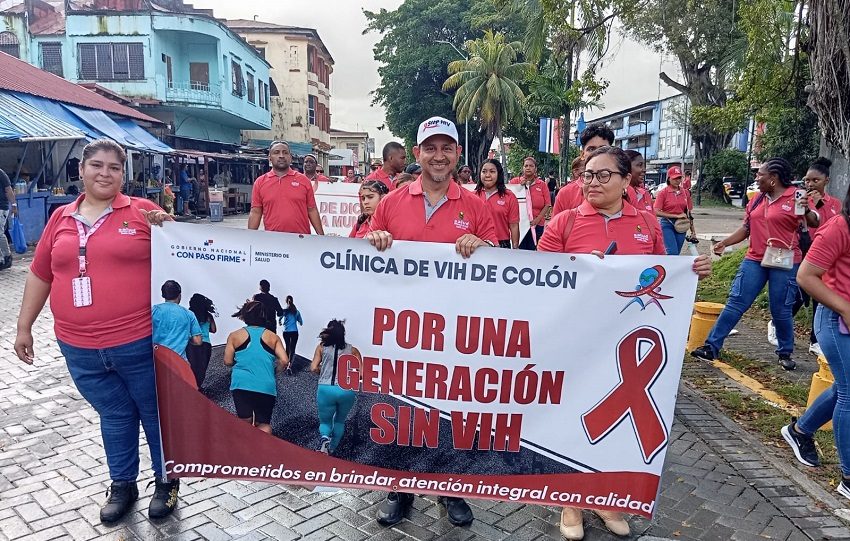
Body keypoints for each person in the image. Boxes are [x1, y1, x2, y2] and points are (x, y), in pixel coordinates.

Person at [538, 146, 711, 540]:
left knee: (616, 424)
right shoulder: (565, 222)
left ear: (625, 180)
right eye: (587, 175)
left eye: (602, 175)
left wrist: (692, 270)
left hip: (627, 343)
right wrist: (580, 269)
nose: (592, 182)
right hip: (576, 339)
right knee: (573, 417)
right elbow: (542, 276)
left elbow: (663, 273)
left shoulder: (647, 223)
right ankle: (571, 501)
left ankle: (605, 497)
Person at [13, 139, 179, 522]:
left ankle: (167, 481)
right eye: (97, 166)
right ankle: (123, 483)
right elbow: (40, 273)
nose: (105, 173)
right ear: (82, 170)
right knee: (115, 414)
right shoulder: (61, 218)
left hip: (137, 340)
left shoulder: (142, 212)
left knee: (155, 413)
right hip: (79, 347)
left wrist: (167, 227)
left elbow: (185, 255)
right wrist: (25, 326)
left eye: (114, 168)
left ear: (124, 174)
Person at [366, 116, 497, 527]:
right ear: (418, 153)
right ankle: (400, 488)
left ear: (457, 154)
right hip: (400, 330)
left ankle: (449, 486)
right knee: (400, 408)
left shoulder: (476, 206)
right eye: (430, 148)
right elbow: (363, 258)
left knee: (448, 410)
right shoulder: (390, 203)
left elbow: (501, 261)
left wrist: (485, 244)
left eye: (446, 148)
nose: (438, 156)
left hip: (454, 333)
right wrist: (375, 241)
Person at [691, 158, 806, 371]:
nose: (756, 178)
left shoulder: (797, 196)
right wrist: (724, 243)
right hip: (755, 258)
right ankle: (711, 346)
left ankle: (785, 352)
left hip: (785, 259)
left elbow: (812, 222)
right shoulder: (756, 200)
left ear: (773, 178)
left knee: (780, 309)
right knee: (736, 301)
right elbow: (747, 228)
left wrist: (809, 210)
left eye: (760, 174)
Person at [781, 183, 850, 493]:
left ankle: (800, 430)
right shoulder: (839, 227)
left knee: (844, 386)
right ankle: (848, 478)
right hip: (835, 319)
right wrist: (845, 308)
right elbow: (806, 276)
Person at [769, 157, 842, 356]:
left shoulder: (835, 203)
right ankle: (777, 322)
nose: (810, 185)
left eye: (815, 181)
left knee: (821, 297)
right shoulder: (799, 199)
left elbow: (833, 226)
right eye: (807, 180)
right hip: (804, 251)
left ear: (826, 180)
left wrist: (821, 206)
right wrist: (810, 207)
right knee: (800, 294)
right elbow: (804, 223)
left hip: (828, 257)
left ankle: (815, 341)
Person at [223, 300, 289, 434]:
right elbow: (284, 360)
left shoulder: (234, 336)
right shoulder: (273, 337)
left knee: (244, 422)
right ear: (264, 316)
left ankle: (244, 451)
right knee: (264, 424)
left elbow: (228, 361)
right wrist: (274, 371)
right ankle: (262, 452)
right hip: (266, 384)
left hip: (242, 383)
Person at [248, 141, 325, 235]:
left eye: (285, 152)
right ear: (270, 158)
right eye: (276, 152)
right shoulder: (260, 182)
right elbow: (256, 212)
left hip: (301, 240)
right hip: (273, 240)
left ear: (290, 158)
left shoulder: (304, 181)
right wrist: (250, 238)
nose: (281, 156)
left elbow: (312, 210)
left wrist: (321, 237)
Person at [310, 319, 362, 454]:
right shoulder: (353, 350)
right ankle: (331, 449)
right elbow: (361, 375)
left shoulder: (321, 347)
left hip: (326, 388)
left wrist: (324, 372)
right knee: (339, 421)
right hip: (346, 390)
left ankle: (325, 438)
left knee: (325, 422)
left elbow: (313, 368)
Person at [553, 124, 615, 216]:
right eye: (591, 149)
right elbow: (554, 229)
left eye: (603, 149)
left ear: (612, 152)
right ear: (582, 155)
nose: (597, 153)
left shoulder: (624, 190)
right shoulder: (566, 193)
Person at [152, 280, 202, 361]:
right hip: (179, 362)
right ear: (179, 295)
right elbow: (198, 341)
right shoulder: (188, 314)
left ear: (163, 295)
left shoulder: (153, 311)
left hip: (157, 361)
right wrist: (186, 337)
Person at [475, 159, 520, 248]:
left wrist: (515, 249)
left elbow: (514, 225)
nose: (487, 175)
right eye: (484, 171)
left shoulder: (509, 196)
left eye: (492, 171)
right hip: (477, 243)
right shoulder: (472, 196)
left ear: (499, 174)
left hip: (501, 244)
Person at [510, 156, 551, 250]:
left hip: (537, 224)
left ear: (535, 168)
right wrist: (519, 187)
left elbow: (547, 204)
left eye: (531, 166)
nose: (528, 168)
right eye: (526, 166)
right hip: (519, 224)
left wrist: (537, 219)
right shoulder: (514, 182)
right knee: (519, 249)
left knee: (532, 250)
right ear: (522, 168)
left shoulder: (542, 185)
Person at [654, 165, 695, 255]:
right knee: (672, 252)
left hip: (682, 224)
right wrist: (676, 216)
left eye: (679, 178)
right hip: (667, 224)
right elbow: (656, 211)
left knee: (677, 253)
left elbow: (688, 213)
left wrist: (693, 231)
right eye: (675, 178)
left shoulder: (685, 192)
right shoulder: (663, 193)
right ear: (669, 178)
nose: (678, 180)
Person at [187, 293, 217, 389]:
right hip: (206, 344)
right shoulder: (208, 316)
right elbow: (214, 330)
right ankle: (198, 386)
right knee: (202, 367)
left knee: (192, 366)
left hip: (192, 343)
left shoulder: (189, 314)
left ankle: (192, 385)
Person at [280, 295, 303, 371]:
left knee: (287, 347)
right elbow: (301, 322)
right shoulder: (296, 312)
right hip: (294, 331)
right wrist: (297, 321)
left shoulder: (285, 311)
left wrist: (280, 322)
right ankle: (290, 365)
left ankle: (285, 364)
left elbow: (279, 318)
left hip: (286, 331)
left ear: (286, 301)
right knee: (292, 348)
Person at [0, 166, 16, 270]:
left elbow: (8, 189)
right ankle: (4, 257)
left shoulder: (1, 173)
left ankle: (6, 257)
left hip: (1, 207)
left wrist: (14, 205)